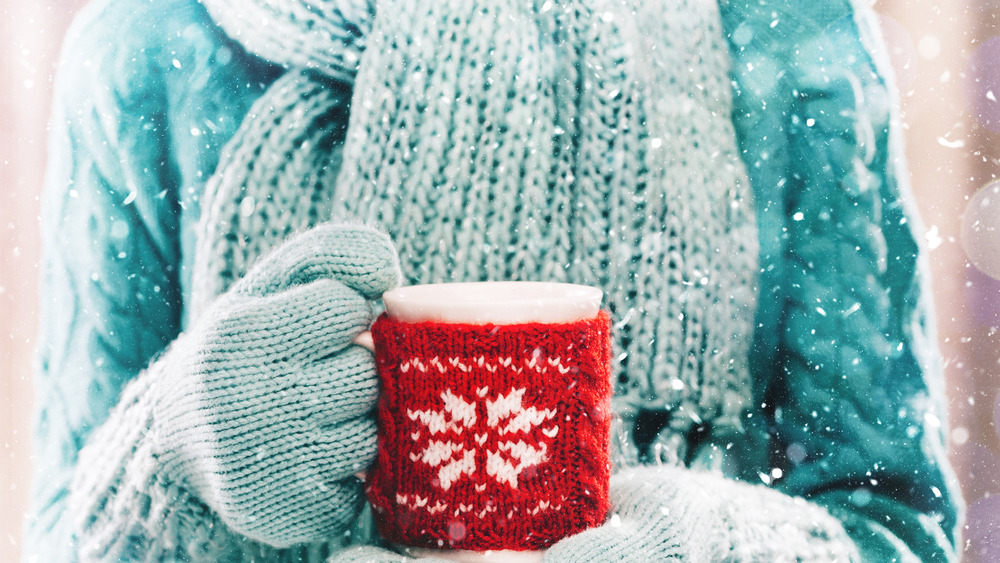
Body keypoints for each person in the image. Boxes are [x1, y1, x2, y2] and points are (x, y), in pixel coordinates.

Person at [25, 0, 962, 560]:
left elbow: (897, 528)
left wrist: (703, 547)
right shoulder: (148, 44)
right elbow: (65, 533)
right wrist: (171, 455)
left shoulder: (784, 34)